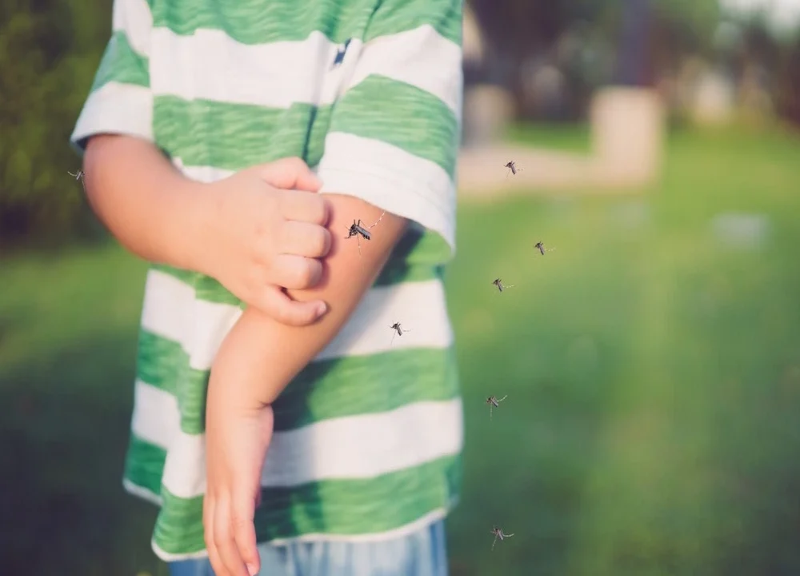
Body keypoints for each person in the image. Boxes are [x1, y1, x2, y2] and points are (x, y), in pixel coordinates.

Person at [70, 0, 464, 575]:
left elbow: (380, 199)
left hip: (364, 484)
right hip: (210, 482)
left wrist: (239, 382)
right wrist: (201, 223)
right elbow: (107, 154)